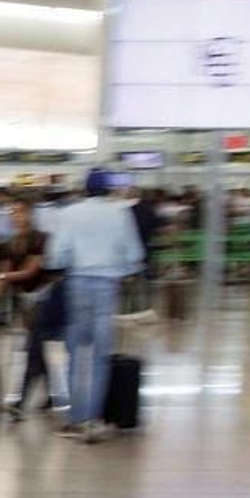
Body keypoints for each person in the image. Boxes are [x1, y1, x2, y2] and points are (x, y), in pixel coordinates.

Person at [45, 168, 145, 443]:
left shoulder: (70, 213)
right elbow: (135, 255)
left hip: (77, 285)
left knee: (76, 354)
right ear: (110, 189)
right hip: (107, 287)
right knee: (101, 356)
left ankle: (75, 419)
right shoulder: (121, 213)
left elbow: (55, 256)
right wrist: (120, 269)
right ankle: (93, 420)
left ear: (84, 188)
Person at [0, 197, 62, 419]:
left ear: (30, 214)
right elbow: (3, 279)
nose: (16, 217)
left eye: (20, 212)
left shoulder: (41, 239)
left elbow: (30, 272)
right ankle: (52, 396)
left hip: (46, 299)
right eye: (12, 213)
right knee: (36, 347)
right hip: (25, 302)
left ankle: (20, 402)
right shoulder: (8, 245)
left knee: (32, 348)